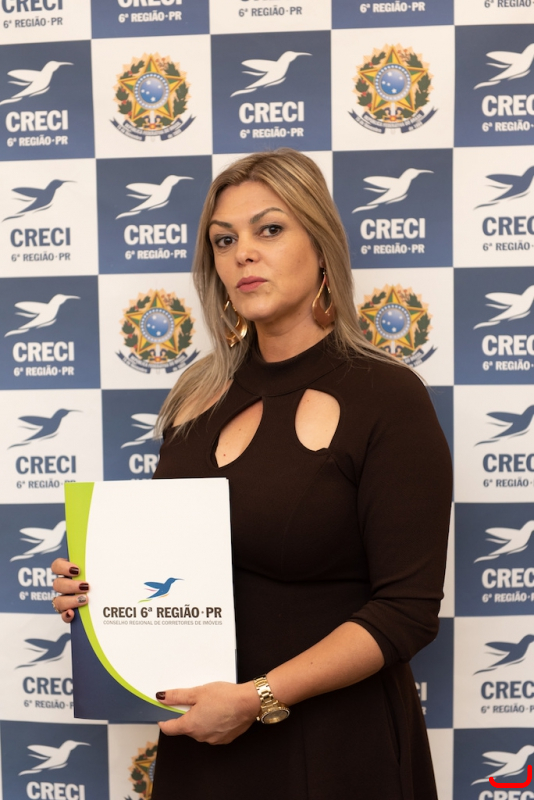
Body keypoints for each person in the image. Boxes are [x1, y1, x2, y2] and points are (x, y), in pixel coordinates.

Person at [52, 148, 452, 800]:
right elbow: (166, 564)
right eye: (224, 239)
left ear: (321, 246)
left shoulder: (388, 396)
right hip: (205, 744)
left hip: (336, 750)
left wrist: (257, 698)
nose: (244, 253)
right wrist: (95, 594)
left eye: (269, 229)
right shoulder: (196, 395)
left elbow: (407, 611)